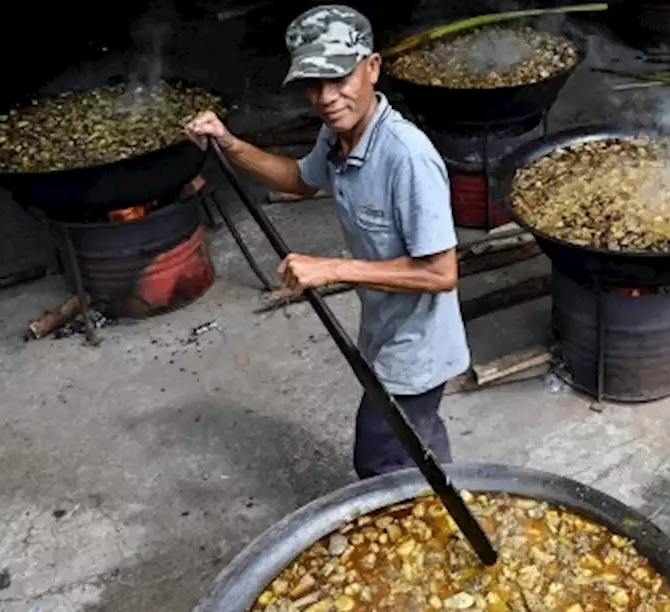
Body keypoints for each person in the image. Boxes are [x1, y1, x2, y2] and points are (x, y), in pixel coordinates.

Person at [184, 4, 469, 480]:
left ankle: (419, 534)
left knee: (380, 462)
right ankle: (451, 498)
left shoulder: (407, 159)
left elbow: (441, 273)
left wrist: (332, 268)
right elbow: (299, 179)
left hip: (417, 348)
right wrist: (228, 143)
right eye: (314, 84)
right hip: (382, 331)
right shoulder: (338, 136)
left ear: (373, 68)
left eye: (340, 79)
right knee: (420, 447)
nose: (327, 97)